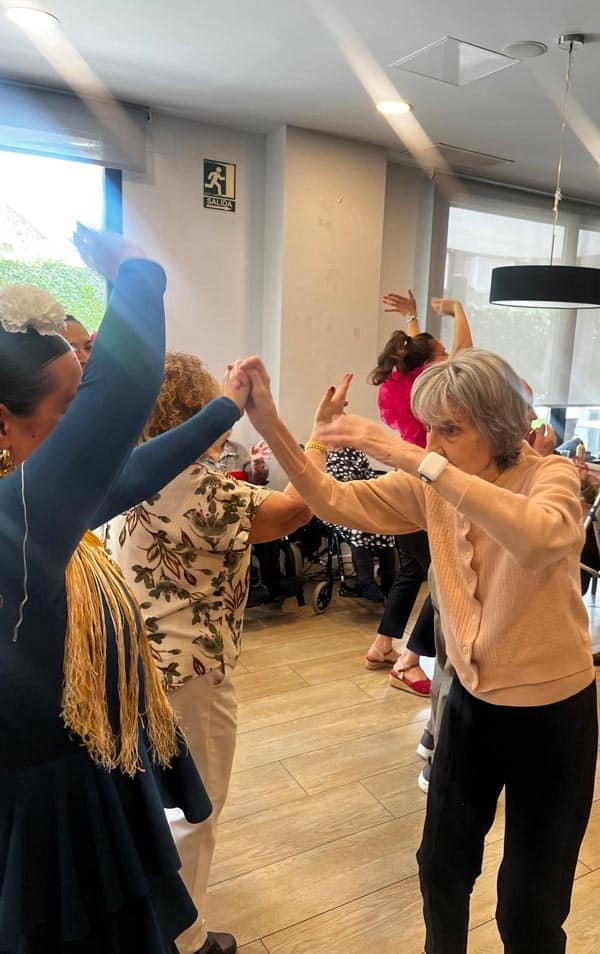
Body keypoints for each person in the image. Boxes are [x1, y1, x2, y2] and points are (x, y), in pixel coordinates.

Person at [240, 349, 597, 954]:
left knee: (531, 908)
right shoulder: (430, 482)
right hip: (470, 707)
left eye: (449, 430)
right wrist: (271, 422)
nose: (432, 443)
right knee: (441, 870)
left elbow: (541, 538)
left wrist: (412, 456)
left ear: (499, 427)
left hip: (554, 717)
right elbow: (332, 500)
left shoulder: (551, 476)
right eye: (428, 428)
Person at [0, 225, 254, 954]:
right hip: (47, 814)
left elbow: (130, 473)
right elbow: (122, 401)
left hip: (77, 779)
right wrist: (137, 273)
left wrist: (225, 408)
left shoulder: (30, 509)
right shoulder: (17, 518)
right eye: (69, 409)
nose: (88, 428)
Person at [105, 355, 348, 954]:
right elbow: (295, 511)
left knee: (144, 803)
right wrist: (319, 436)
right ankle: (184, 940)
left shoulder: (122, 465)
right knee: (194, 808)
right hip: (188, 670)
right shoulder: (196, 485)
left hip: (127, 662)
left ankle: (145, 920)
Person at [365, 292, 472, 692]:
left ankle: (382, 646)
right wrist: (458, 310)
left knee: (413, 570)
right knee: (445, 572)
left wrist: (412, 318)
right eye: (441, 354)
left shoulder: (398, 382)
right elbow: (464, 355)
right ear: (428, 366)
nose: (448, 357)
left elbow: (418, 350)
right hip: (425, 487)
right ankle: (409, 662)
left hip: (404, 484)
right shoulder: (432, 389)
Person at [324, 446, 397, 603]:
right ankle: (365, 582)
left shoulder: (355, 452)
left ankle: (390, 578)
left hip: (361, 503)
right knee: (358, 526)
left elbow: (370, 478)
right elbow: (324, 488)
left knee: (384, 524)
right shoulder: (322, 454)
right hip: (336, 508)